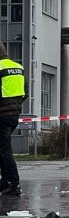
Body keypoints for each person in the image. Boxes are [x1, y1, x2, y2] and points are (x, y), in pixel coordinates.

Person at [0, 43, 26, 197]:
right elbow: (25, 91)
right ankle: (5, 182)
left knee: (4, 150)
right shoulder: (18, 67)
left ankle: (13, 183)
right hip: (13, 115)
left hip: (1, 115)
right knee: (2, 149)